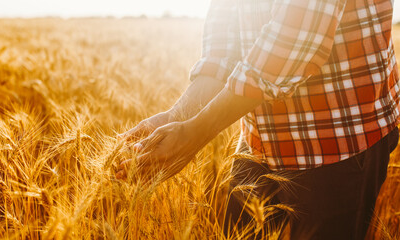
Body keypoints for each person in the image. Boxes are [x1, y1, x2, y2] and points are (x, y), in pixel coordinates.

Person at [117, 0, 400, 239]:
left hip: (337, 141)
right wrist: (177, 117)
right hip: (259, 142)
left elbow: (294, 43)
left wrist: (195, 133)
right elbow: (223, 47)